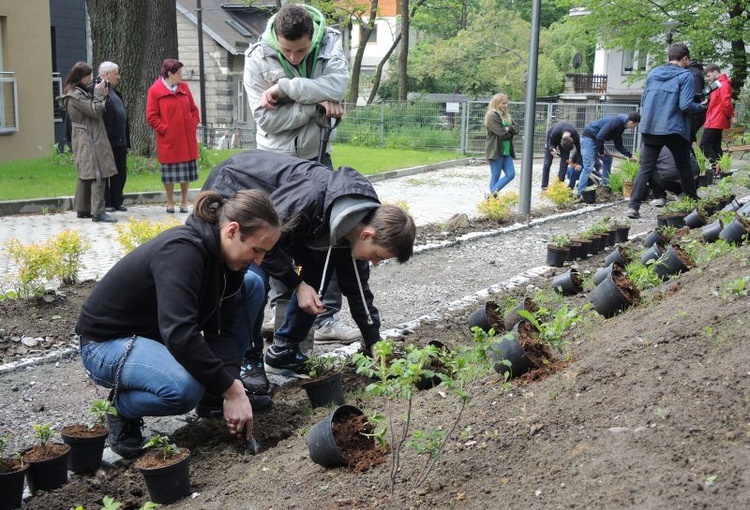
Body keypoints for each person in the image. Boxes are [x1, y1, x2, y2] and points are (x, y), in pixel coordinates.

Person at [76, 189, 281, 458]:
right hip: (107, 345)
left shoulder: (228, 264)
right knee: (183, 389)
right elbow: (180, 333)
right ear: (232, 231)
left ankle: (213, 397)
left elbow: (221, 332)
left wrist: (231, 385)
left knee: (252, 285)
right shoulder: (182, 253)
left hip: (156, 336)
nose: (259, 260)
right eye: (256, 249)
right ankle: (121, 407)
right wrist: (231, 389)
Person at [202, 150, 416, 384]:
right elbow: (265, 239)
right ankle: (247, 358)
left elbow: (356, 288)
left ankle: (283, 351)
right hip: (233, 187)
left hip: (284, 223)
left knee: (317, 273)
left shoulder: (353, 224)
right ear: (367, 234)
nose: (374, 262)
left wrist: (374, 341)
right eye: (378, 256)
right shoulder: (311, 198)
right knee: (254, 278)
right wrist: (296, 284)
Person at [244, 3, 358, 345]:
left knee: (328, 239)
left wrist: (286, 91)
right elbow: (267, 120)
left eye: (301, 50)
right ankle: (285, 327)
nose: (294, 58)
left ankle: (326, 320)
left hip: (317, 156)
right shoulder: (256, 57)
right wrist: (314, 104)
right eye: (287, 51)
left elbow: (338, 87)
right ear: (276, 40)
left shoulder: (330, 43)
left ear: (314, 38)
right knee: (276, 240)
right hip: (273, 164)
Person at [628, 43, 707, 219]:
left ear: (669, 57)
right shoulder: (686, 76)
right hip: (673, 129)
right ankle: (693, 202)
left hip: (650, 127)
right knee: (684, 166)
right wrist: (701, 106)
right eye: (689, 59)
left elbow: (644, 99)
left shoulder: (654, 73)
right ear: (685, 58)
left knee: (645, 168)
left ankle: (633, 207)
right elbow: (685, 105)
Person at [57, 62, 118, 223]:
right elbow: (95, 111)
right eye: (87, 77)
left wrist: (100, 93)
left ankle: (83, 209)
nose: (90, 79)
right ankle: (98, 212)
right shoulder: (75, 96)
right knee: (98, 173)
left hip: (88, 135)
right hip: (89, 137)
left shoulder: (78, 92)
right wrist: (98, 93)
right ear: (79, 77)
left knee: (86, 174)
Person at [146, 59, 200, 214]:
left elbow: (193, 109)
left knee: (186, 171)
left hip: (187, 138)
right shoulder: (155, 91)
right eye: (178, 73)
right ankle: (170, 202)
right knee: (169, 173)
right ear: (169, 74)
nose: (181, 76)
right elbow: (151, 116)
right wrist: (166, 129)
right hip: (169, 140)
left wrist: (193, 123)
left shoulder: (184, 87)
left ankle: (184, 201)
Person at [578, 112, 640, 197]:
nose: (634, 128)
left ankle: (604, 187)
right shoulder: (616, 122)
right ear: (632, 122)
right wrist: (601, 151)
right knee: (588, 167)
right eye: (635, 125)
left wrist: (630, 156)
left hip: (596, 140)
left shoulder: (621, 126)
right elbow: (600, 137)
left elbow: (618, 145)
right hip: (588, 139)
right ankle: (580, 193)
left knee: (608, 159)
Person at [99, 61, 130, 213]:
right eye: (115, 74)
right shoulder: (98, 88)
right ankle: (107, 201)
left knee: (120, 172)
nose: (118, 77)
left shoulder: (114, 91)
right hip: (107, 138)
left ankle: (118, 199)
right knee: (106, 171)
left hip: (120, 139)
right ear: (105, 74)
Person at [699, 63, 735, 172]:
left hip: (716, 120)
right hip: (715, 119)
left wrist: (730, 116)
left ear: (715, 72)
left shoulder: (723, 84)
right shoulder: (718, 84)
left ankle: (716, 168)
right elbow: (718, 101)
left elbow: (726, 103)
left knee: (704, 145)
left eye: (709, 76)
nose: (708, 79)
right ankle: (722, 169)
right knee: (715, 146)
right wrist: (708, 101)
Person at [484, 92, 519, 194]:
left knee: (511, 174)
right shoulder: (492, 116)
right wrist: (510, 131)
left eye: (507, 103)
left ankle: (490, 197)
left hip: (506, 150)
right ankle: (492, 199)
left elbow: (517, 128)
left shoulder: (506, 115)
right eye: (503, 103)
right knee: (496, 175)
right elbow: (503, 134)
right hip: (495, 150)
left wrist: (508, 128)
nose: (506, 106)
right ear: (497, 103)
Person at [540, 122, 582, 191]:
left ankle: (559, 185)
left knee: (564, 163)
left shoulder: (575, 135)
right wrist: (552, 148)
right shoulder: (555, 132)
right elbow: (550, 143)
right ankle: (544, 186)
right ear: (561, 144)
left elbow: (579, 150)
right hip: (552, 139)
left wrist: (579, 163)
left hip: (565, 140)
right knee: (547, 163)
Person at [687, 59, 706, 145]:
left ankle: (689, 158)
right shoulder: (698, 72)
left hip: (693, 112)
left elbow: (695, 93)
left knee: (686, 141)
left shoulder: (692, 73)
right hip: (698, 112)